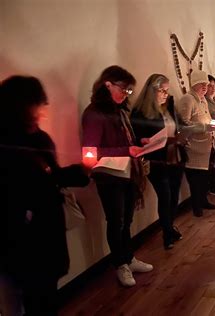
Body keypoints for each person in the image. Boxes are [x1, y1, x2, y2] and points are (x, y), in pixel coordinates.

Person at [0, 75, 89, 315]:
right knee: (26, 300)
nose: (43, 109)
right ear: (19, 106)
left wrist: (79, 173)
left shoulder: (39, 137)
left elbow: (52, 177)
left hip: (46, 231)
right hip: (22, 238)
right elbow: (23, 187)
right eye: (38, 103)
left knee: (45, 296)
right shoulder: (7, 143)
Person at [82, 65, 153, 287]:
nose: (126, 94)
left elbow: (123, 142)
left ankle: (128, 258)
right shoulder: (94, 113)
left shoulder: (119, 111)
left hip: (127, 173)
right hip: (110, 177)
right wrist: (126, 151)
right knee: (116, 221)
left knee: (127, 220)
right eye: (124, 89)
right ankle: (120, 264)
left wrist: (138, 143)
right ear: (107, 84)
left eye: (129, 91)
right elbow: (89, 154)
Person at [131, 74, 186, 250]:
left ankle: (170, 226)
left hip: (174, 157)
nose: (165, 94)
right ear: (152, 90)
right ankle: (167, 233)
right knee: (165, 196)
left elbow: (178, 126)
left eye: (166, 90)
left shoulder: (168, 107)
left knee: (174, 196)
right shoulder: (141, 112)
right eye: (161, 90)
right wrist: (143, 140)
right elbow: (136, 137)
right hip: (157, 161)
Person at [175, 69, 215, 217]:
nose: (205, 87)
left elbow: (207, 117)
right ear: (194, 84)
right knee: (195, 179)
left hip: (205, 145)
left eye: (206, 84)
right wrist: (205, 127)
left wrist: (212, 129)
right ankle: (196, 205)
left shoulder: (203, 99)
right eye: (201, 84)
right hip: (193, 147)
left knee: (204, 177)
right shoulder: (188, 99)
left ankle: (203, 200)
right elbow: (183, 124)